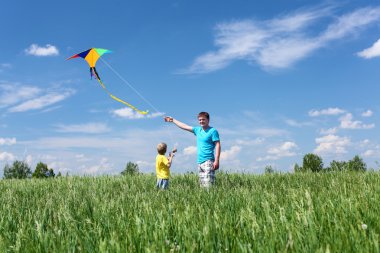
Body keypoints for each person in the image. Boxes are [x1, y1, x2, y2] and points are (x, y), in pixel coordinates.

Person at [164, 112, 221, 187]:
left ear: (208, 120)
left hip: (209, 160)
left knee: (208, 186)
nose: (201, 121)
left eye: (203, 119)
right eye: (200, 120)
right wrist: (173, 120)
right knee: (202, 186)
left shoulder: (213, 131)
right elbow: (184, 126)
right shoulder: (198, 130)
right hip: (199, 162)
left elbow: (218, 145)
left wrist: (217, 160)